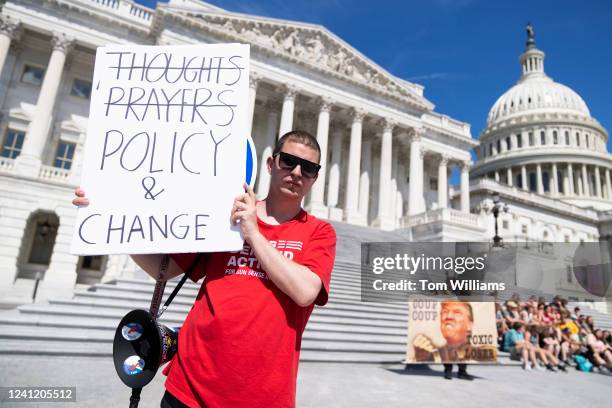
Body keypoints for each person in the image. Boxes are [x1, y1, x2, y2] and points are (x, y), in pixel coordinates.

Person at [73, 130, 337, 407]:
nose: (296, 172)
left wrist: (254, 234)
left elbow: (306, 291)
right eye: (289, 162)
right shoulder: (224, 216)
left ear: (315, 177)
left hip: (261, 396)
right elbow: (163, 270)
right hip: (190, 385)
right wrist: (105, 218)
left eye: (308, 168)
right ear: (271, 164)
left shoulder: (319, 232)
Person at [413, 300, 495, 380]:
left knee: (464, 350)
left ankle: (461, 371)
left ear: (470, 325)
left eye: (457, 313)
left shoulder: (481, 351)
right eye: (445, 312)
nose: (448, 316)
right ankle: (449, 370)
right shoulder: (430, 353)